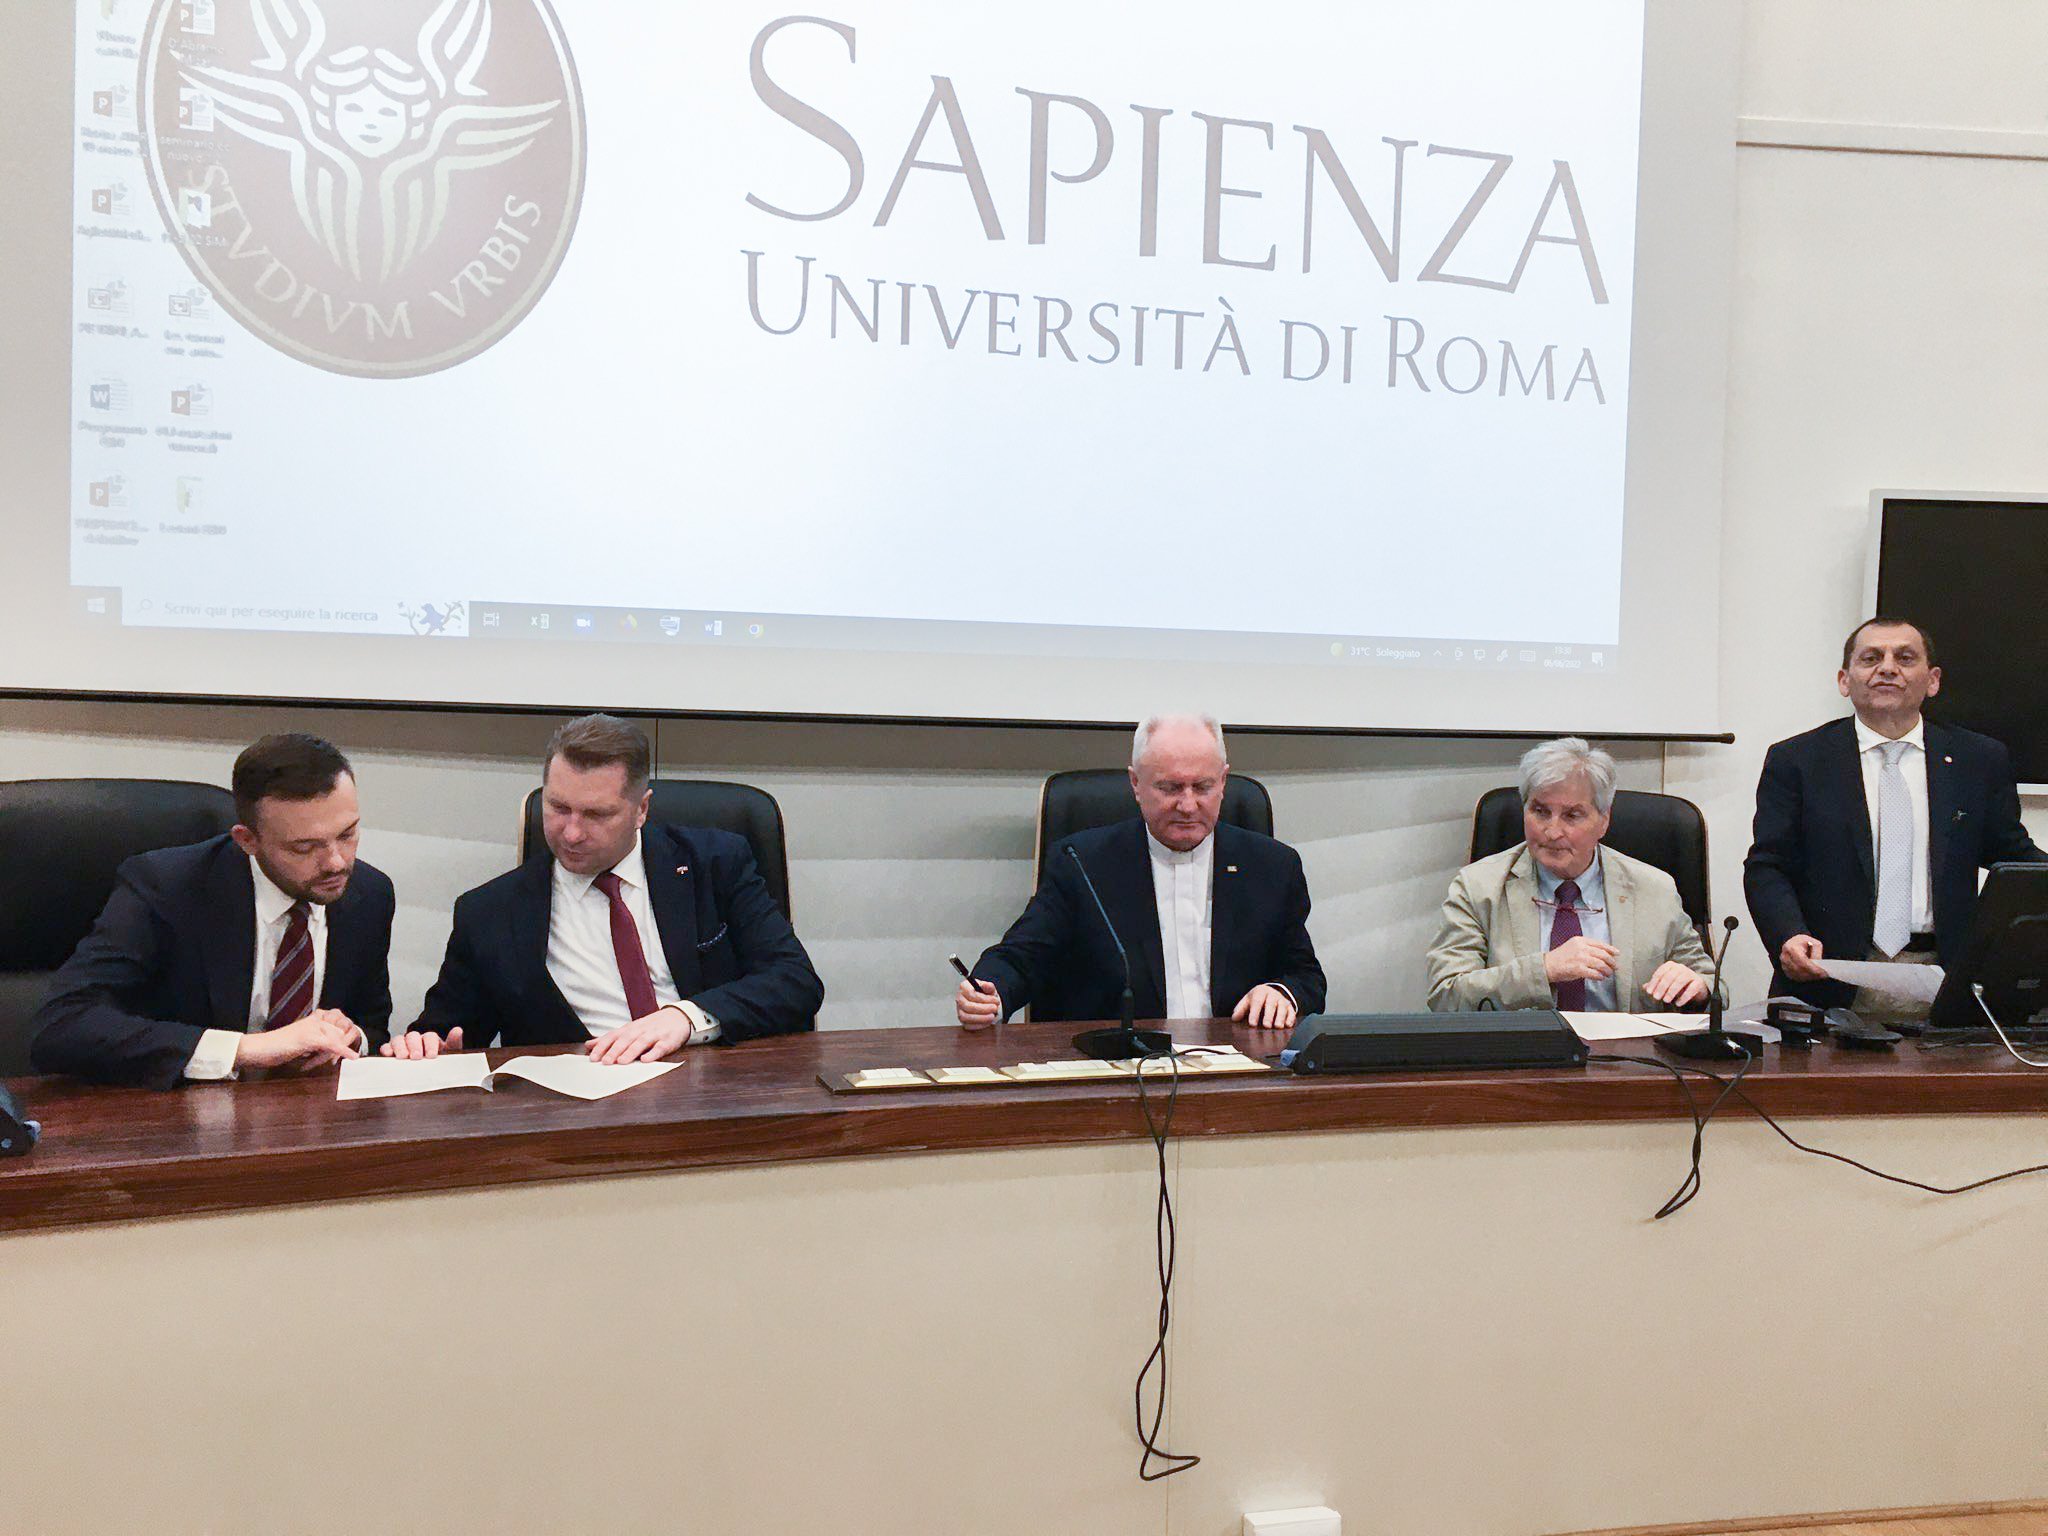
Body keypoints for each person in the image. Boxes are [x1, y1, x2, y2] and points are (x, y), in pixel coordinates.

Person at [392, 713, 822, 1060]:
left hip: (713, 1090)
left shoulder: (714, 864)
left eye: (596, 815)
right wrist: (427, 1045)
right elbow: (445, 1033)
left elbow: (794, 982)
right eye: (558, 807)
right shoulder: (490, 912)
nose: (571, 833)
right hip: (574, 1114)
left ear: (641, 810)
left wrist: (685, 1017)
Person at [31, 733, 394, 1088]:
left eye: (347, 834)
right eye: (304, 848)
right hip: (179, 1113)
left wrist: (353, 1036)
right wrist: (248, 1050)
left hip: (305, 1113)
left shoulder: (369, 894)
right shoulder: (166, 888)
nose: (336, 863)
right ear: (247, 840)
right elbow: (62, 1025)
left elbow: (372, 1024)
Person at [1744, 617, 2044, 1010]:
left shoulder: (1979, 759)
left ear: (1932, 681)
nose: (1887, 668)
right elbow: (1768, 865)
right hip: (1829, 978)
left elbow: (2013, 855)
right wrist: (1788, 934)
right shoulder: (1798, 760)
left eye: (1905, 658)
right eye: (1871, 658)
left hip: (1946, 978)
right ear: (1844, 680)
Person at [956, 713, 1325, 1031]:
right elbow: (1021, 957)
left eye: (1203, 787)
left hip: (1236, 1067)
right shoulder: (1082, 863)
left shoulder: (1273, 866)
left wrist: (1283, 993)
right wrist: (991, 994)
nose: (1187, 805)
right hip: (1119, 1066)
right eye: (1170, 788)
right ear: (1135, 784)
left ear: (1223, 782)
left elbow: (1306, 976)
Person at [1426, 737, 1713, 1013]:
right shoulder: (1478, 887)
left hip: (1627, 1046)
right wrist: (1544, 970)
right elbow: (1446, 996)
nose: (1552, 832)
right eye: (1540, 811)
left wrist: (1698, 988)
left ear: (1604, 821)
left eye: (1572, 815)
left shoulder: (1654, 888)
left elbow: (1710, 983)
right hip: (1523, 1046)